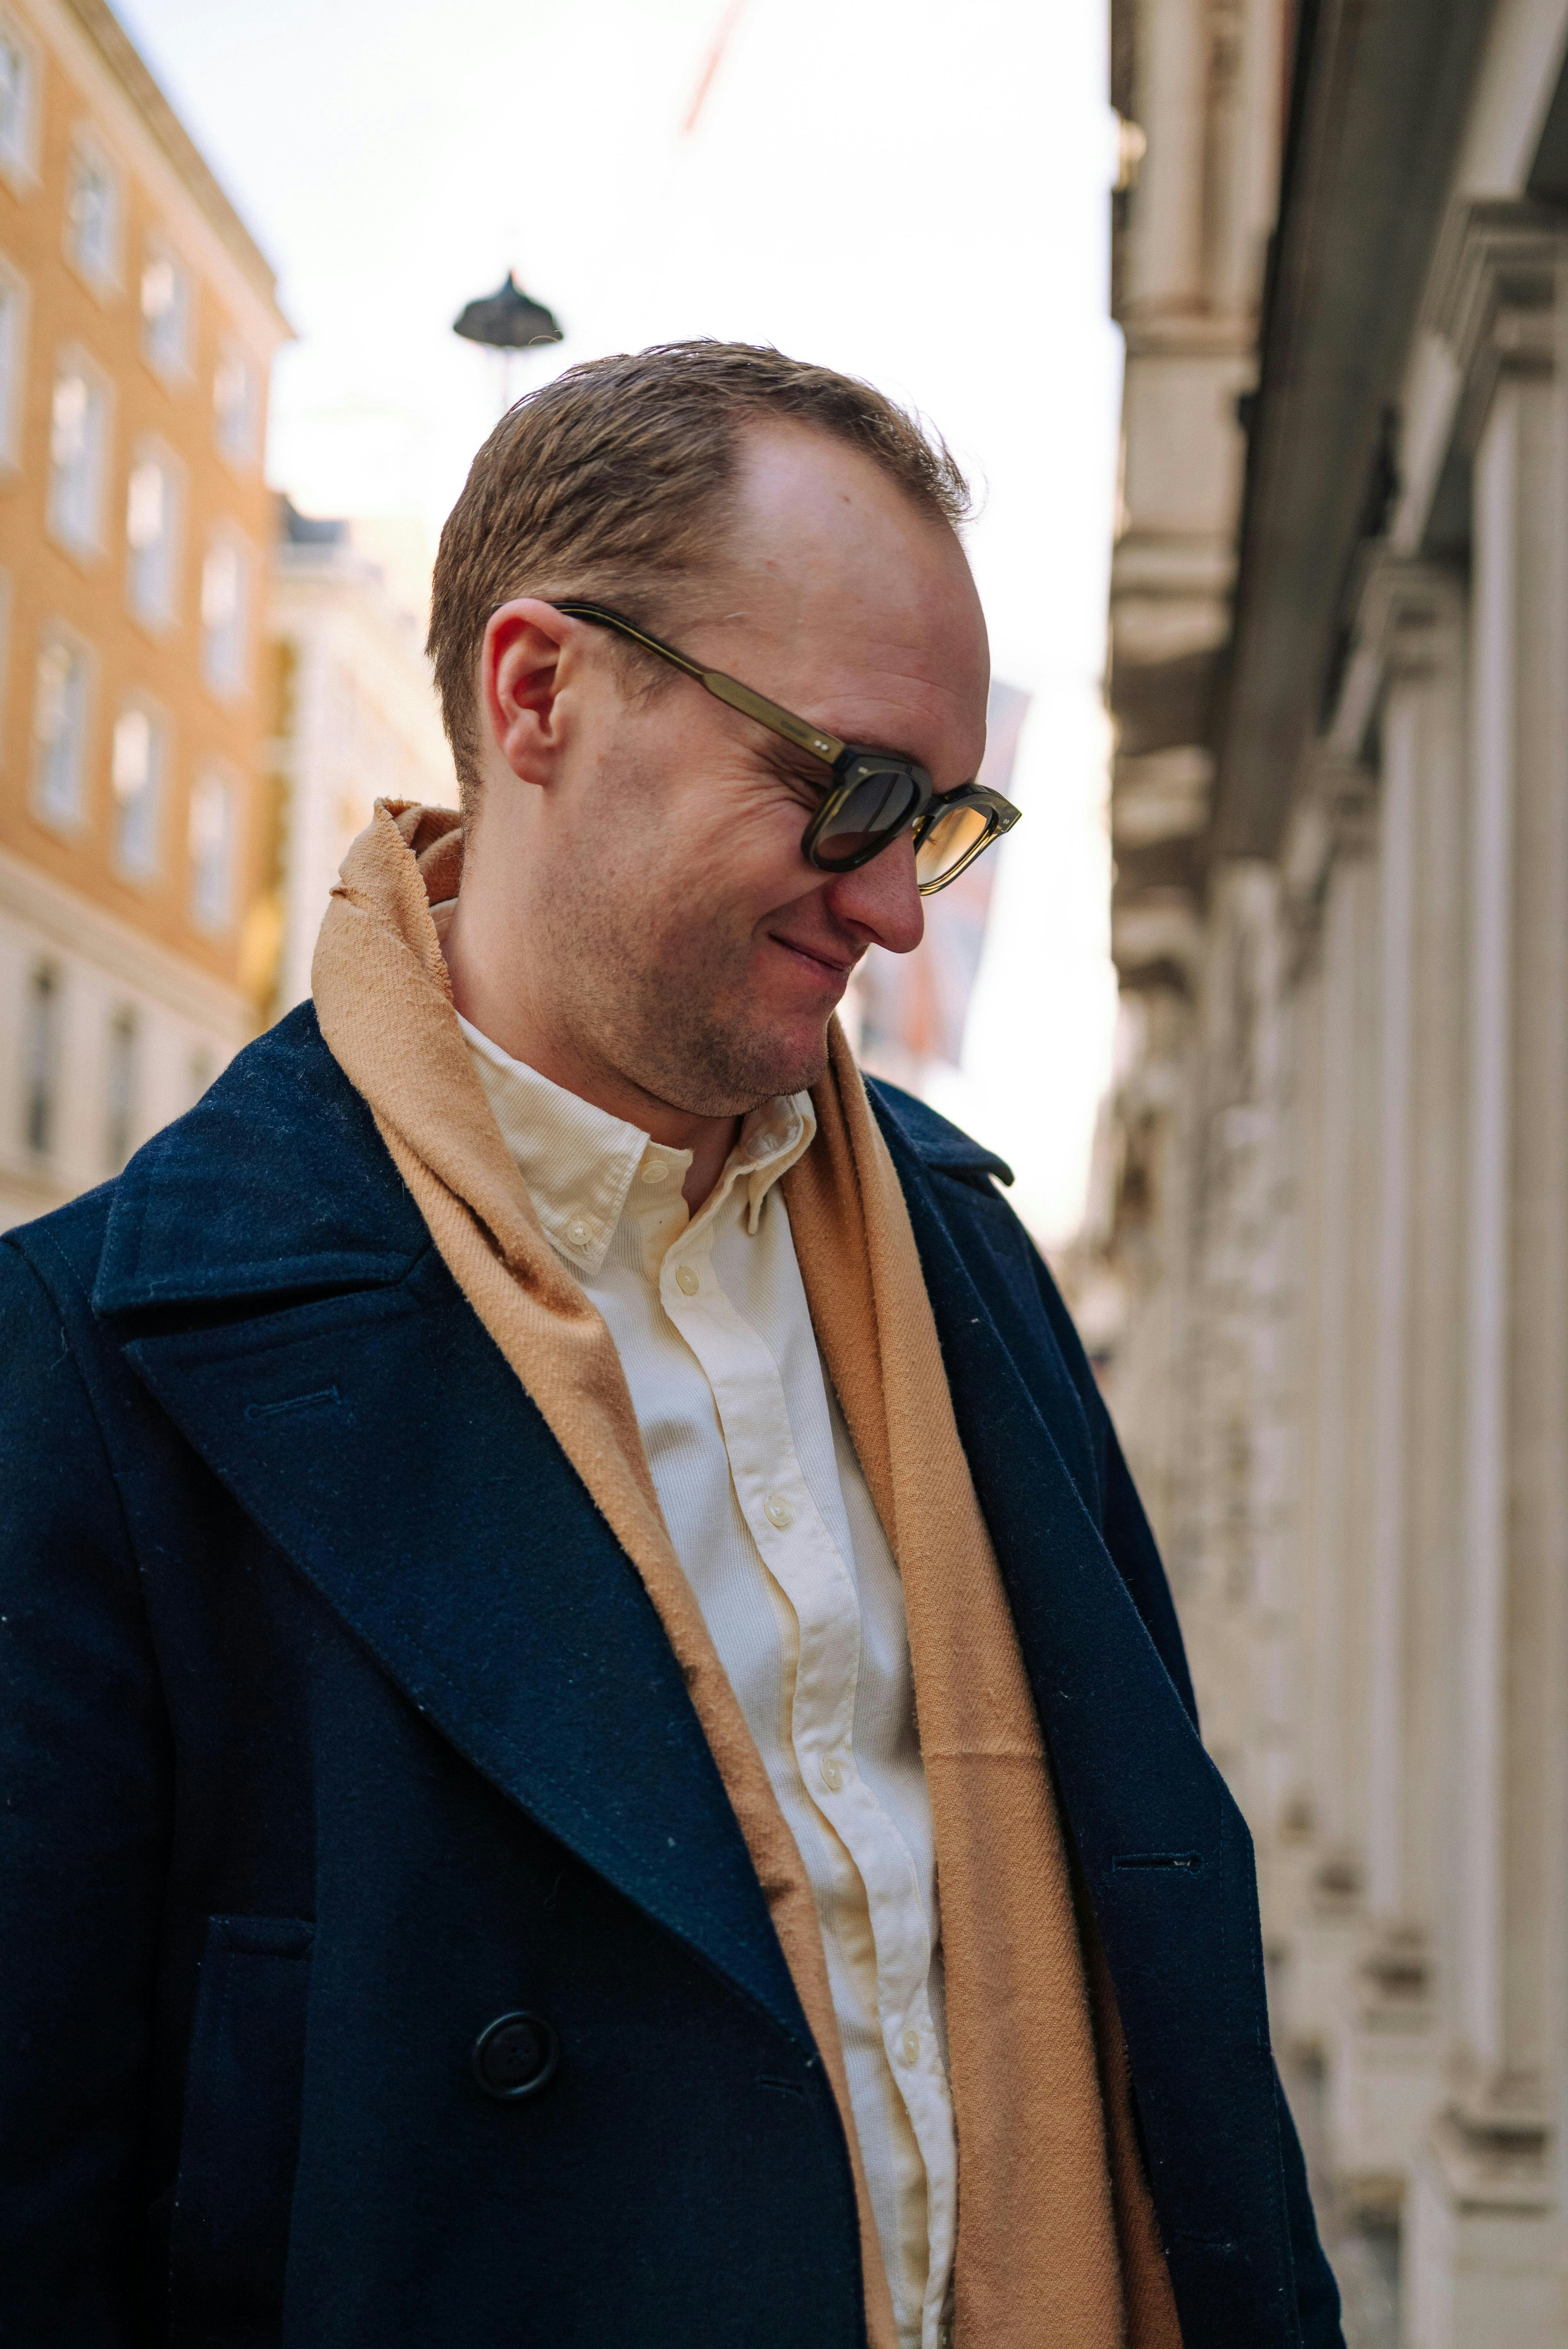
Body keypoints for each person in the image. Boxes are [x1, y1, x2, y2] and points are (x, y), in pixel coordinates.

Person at [0, 342, 1341, 2349]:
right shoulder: (91, 1372)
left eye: (938, 820)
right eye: (846, 790)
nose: (895, 910)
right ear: (539, 694)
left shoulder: (964, 1259)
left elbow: (1167, 1980)